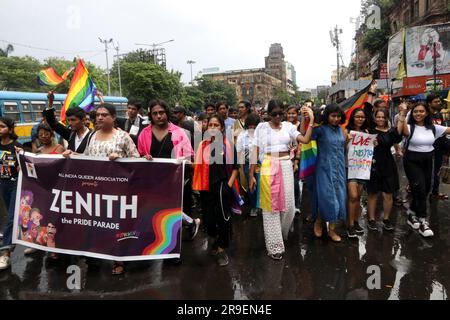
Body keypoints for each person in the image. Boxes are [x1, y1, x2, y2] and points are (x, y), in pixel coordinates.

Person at [64, 103, 139, 274]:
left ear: (113, 117)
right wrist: (74, 155)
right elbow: (88, 159)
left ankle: (119, 260)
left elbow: (137, 160)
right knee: (98, 225)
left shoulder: (123, 137)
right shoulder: (93, 136)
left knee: (119, 227)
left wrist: (121, 159)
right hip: (97, 191)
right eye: (97, 114)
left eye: (104, 115)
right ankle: (95, 256)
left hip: (119, 191)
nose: (99, 117)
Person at [249, 100, 314, 260]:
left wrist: (310, 120)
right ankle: (275, 246)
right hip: (268, 165)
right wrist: (251, 175)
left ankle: (282, 234)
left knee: (289, 206)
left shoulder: (288, 127)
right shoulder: (261, 127)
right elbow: (255, 150)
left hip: (286, 165)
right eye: (274, 114)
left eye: (280, 113)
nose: (278, 117)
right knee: (271, 207)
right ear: (268, 114)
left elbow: (305, 140)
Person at [138, 100, 200, 244]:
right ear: (151, 116)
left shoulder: (179, 133)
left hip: (175, 180)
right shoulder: (144, 133)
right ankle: (188, 224)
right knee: (157, 210)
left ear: (167, 114)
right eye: (155, 113)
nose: (159, 116)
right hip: (152, 180)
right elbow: (139, 154)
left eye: (161, 112)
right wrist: (143, 157)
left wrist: (182, 161)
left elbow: (189, 155)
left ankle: (173, 249)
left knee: (171, 212)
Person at [397, 102, 450, 238]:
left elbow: (448, 130)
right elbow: (400, 131)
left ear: (426, 113)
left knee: (426, 189)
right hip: (412, 160)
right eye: (415, 112)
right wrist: (402, 113)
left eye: (421, 111)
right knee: (419, 188)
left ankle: (411, 214)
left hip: (428, 160)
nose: (418, 114)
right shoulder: (409, 127)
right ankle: (422, 221)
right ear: (412, 114)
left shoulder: (433, 128)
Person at [193, 115, 240, 267]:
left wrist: (228, 185)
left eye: (216, 125)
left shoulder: (228, 145)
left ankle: (221, 249)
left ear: (221, 128)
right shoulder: (202, 145)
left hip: (222, 187)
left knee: (223, 218)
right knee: (209, 219)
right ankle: (214, 238)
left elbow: (235, 169)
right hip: (206, 187)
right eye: (210, 125)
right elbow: (197, 166)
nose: (213, 128)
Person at [301, 104, 347, 243]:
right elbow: (304, 135)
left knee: (338, 199)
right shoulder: (320, 130)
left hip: (339, 169)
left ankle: (332, 230)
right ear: (327, 116)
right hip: (324, 169)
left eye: (338, 116)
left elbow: (341, 148)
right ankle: (319, 222)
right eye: (333, 116)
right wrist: (306, 118)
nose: (336, 119)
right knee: (326, 198)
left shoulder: (341, 130)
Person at [367, 108, 402, 232]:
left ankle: (386, 219)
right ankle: (371, 219)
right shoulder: (370, 130)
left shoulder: (391, 131)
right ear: (374, 118)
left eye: (383, 117)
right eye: (378, 117)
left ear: (387, 118)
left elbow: (398, 138)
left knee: (388, 194)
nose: (380, 119)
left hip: (388, 164)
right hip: (373, 165)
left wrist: (402, 115)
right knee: (373, 193)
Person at [0, 118, 23, 271]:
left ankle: (5, 253)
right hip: (2, 184)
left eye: (2, 126)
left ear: (10, 128)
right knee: (11, 215)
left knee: (11, 218)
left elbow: (25, 167)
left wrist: (22, 158)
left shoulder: (17, 147)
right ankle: (15, 237)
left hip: (15, 183)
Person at [345, 108, 370, 238]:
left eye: (362, 117)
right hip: (350, 168)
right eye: (357, 117)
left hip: (362, 169)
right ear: (352, 118)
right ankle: (350, 225)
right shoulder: (347, 132)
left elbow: (368, 151)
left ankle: (355, 222)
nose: (360, 119)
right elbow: (340, 148)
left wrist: (373, 144)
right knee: (353, 196)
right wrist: (346, 141)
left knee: (358, 197)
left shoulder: (366, 132)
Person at [236, 114, 260, 217]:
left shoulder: (261, 135)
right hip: (247, 164)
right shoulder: (242, 135)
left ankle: (261, 206)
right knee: (251, 186)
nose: (252, 128)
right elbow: (239, 150)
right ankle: (253, 206)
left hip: (260, 164)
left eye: (254, 126)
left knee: (260, 185)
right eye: (250, 126)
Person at [427, 93, 449, 200]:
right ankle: (415, 189)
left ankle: (435, 192)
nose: (439, 103)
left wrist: (445, 149)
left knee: (437, 171)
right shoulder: (425, 115)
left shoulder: (439, 115)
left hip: (439, 148)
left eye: (438, 101)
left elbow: (444, 131)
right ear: (429, 103)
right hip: (427, 148)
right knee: (426, 171)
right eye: (435, 101)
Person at [286, 105, 302, 215]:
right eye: (289, 113)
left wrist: (296, 161)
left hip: (297, 157)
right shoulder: (283, 125)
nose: (291, 115)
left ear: (297, 114)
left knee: (295, 182)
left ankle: (296, 205)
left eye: (293, 113)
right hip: (285, 157)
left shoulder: (300, 126)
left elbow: (301, 144)